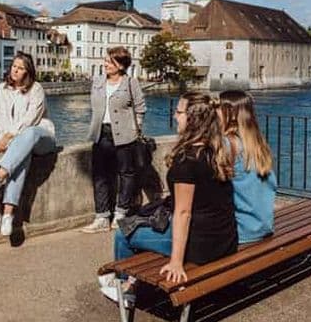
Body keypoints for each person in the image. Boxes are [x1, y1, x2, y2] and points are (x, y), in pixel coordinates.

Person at [100, 92, 237, 302]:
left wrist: (176, 262)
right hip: (224, 240)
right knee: (145, 223)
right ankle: (133, 282)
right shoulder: (215, 152)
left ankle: (126, 289)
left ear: (193, 119)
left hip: (200, 246)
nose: (175, 116)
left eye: (179, 112)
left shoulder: (186, 162)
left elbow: (183, 213)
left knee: (122, 234)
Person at [0, 52, 56, 236]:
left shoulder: (36, 89)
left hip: (42, 137)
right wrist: (1, 141)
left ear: (27, 72)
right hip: (19, 143)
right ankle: (8, 214)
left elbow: (31, 120)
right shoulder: (1, 90)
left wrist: (10, 136)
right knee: (22, 156)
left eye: (20, 68)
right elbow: (0, 119)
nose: (15, 70)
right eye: (14, 66)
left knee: (29, 134)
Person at [82, 46, 146, 233]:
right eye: (106, 61)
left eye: (110, 62)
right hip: (101, 133)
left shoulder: (131, 83)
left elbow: (140, 108)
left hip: (125, 135)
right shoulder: (98, 81)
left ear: (121, 65)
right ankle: (102, 217)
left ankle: (120, 213)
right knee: (100, 175)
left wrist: (135, 128)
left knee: (126, 174)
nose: (106, 64)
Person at [218, 90, 277, 243]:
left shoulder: (227, 144)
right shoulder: (258, 144)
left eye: (217, 108)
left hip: (240, 231)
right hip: (263, 226)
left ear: (229, 114)